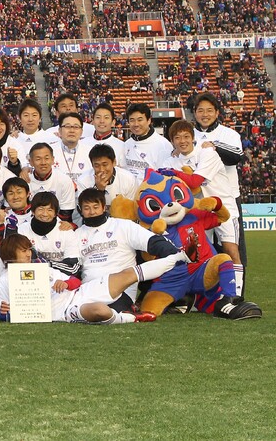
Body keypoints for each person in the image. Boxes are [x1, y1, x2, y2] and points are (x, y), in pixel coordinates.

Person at [0, 233, 186, 324]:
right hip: (66, 311)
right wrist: (5, 313)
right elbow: (1, 313)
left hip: (79, 293)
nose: (28, 254)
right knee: (99, 311)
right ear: (10, 254)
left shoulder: (42, 269)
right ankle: (130, 318)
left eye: (28, 249)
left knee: (126, 275)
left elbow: (76, 282)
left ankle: (181, 256)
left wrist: (66, 283)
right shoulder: (4, 281)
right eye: (22, 250)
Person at [75, 187, 190, 313]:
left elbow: (153, 242)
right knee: (83, 312)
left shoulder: (123, 226)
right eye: (87, 208)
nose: (92, 212)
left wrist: (177, 255)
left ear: (104, 207)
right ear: (81, 210)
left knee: (106, 313)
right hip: (89, 290)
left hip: (122, 290)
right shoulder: (76, 235)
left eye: (96, 207)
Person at [164, 119, 244, 293]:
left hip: (223, 208)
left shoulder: (208, 153)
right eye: (177, 138)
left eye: (186, 136)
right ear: (172, 141)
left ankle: (235, 293)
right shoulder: (172, 160)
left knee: (231, 250)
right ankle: (202, 295)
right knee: (199, 254)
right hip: (197, 214)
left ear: (193, 138)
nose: (182, 141)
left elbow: (195, 181)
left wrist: (174, 173)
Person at [192, 92, 247, 288]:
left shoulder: (228, 134)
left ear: (217, 113)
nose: (204, 115)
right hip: (199, 202)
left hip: (227, 198)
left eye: (209, 110)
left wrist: (214, 146)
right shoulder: (189, 135)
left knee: (233, 247)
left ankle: (237, 293)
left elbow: (236, 157)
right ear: (194, 113)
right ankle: (204, 293)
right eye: (200, 110)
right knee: (199, 248)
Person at [18, 192, 82, 277]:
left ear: (55, 213)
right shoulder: (22, 230)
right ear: (33, 211)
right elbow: (18, 262)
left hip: (60, 280)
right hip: (31, 277)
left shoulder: (66, 231)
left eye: (50, 210)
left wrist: (47, 264)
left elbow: (73, 268)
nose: (45, 214)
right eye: (41, 209)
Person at [75, 144, 139, 210]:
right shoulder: (83, 181)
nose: (101, 169)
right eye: (97, 165)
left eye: (105, 165)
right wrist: (99, 190)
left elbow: (131, 209)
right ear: (92, 165)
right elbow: (85, 210)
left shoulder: (128, 179)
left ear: (114, 162)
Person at [26, 143, 76, 222]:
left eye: (46, 158)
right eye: (38, 159)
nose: (43, 163)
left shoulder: (64, 180)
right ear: (31, 162)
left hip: (56, 223)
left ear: (52, 160)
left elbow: (66, 212)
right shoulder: (25, 179)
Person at [122, 103, 172, 178]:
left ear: (149, 120)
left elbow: (166, 178)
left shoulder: (163, 145)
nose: (136, 124)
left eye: (140, 120)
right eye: (132, 120)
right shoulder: (127, 144)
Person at [50, 112, 92, 184]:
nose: (72, 131)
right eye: (67, 126)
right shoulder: (49, 151)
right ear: (60, 130)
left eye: (76, 127)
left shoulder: (90, 152)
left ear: (81, 132)